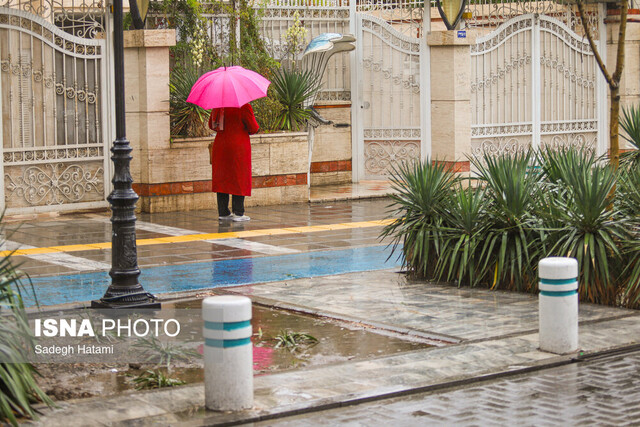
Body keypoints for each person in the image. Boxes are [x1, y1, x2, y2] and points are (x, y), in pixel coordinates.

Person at [208, 103, 259, 221]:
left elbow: (212, 125)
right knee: (239, 177)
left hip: (221, 145)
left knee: (222, 178)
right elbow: (253, 128)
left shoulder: (218, 105)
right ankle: (238, 212)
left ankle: (223, 212)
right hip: (238, 146)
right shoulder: (244, 106)